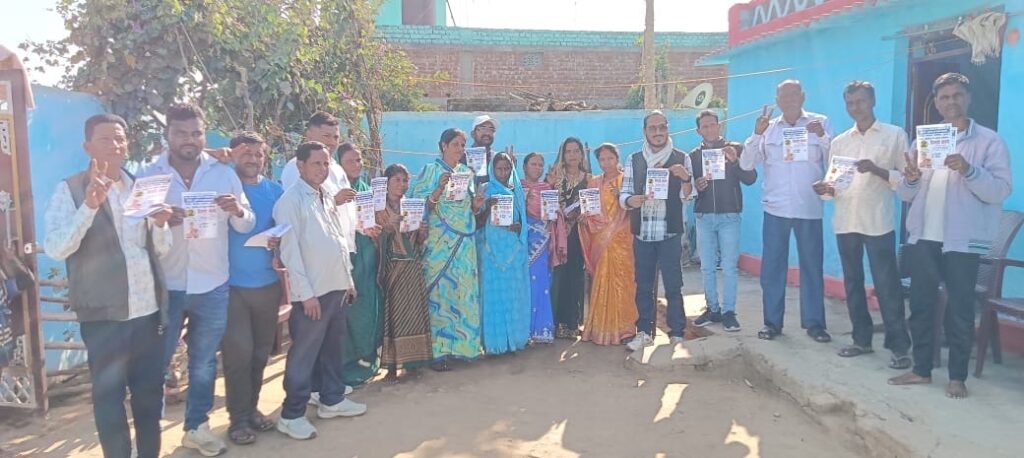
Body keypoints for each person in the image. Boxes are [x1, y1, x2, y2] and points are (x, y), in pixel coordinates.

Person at [43, 114, 172, 458]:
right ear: (88, 147)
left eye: (120, 138)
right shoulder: (70, 190)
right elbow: (56, 247)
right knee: (109, 401)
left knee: (149, 399)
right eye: (105, 139)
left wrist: (160, 225)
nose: (115, 145)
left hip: (148, 314)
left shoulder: (140, 187)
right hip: (104, 318)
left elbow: (158, 251)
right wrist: (89, 206)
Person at [140, 103, 254, 456]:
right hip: (166, 285)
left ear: (204, 135)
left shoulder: (223, 174)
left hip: (212, 283)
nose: (189, 140)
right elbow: (133, 227)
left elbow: (246, 223)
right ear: (167, 135)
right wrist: (157, 221)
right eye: (181, 133)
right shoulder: (150, 175)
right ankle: (148, 436)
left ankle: (196, 428)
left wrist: (237, 209)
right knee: (155, 363)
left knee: (203, 363)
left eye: (196, 133)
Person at [889, 73, 1011, 399]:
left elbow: (1000, 190)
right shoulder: (926, 139)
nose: (951, 102)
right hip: (925, 236)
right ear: (936, 103)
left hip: (962, 239)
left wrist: (969, 170)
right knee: (921, 305)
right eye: (944, 97)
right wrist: (910, 178)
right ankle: (921, 370)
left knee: (959, 308)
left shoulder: (989, 142)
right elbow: (905, 193)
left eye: (957, 95)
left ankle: (957, 377)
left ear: (968, 98)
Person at [812, 81, 912, 368]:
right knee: (853, 283)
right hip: (846, 222)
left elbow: (906, 181)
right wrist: (824, 189)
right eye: (850, 103)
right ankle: (861, 340)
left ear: (873, 101)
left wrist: (877, 170)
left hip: (878, 221)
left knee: (886, 285)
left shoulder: (894, 135)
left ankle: (899, 347)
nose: (856, 107)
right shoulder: (840, 142)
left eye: (861, 101)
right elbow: (834, 186)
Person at [274, 142, 367, 440]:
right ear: (300, 166)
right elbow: (290, 253)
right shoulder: (290, 202)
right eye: (316, 163)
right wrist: (306, 295)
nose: (323, 169)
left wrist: (348, 280)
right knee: (304, 355)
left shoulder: (326, 195)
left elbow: (337, 239)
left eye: (326, 163)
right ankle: (291, 415)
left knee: (332, 349)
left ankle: (332, 399)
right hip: (312, 294)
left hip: (336, 287)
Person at [740, 80, 833, 344]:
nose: (789, 99)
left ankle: (815, 324)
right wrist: (756, 134)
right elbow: (746, 164)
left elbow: (834, 159)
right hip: (776, 209)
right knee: (772, 268)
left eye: (794, 94)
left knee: (812, 267)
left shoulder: (820, 123)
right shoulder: (768, 129)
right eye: (783, 96)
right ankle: (772, 323)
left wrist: (822, 137)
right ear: (777, 100)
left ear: (803, 96)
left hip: (809, 208)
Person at [220, 132, 285, 445]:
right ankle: (238, 420)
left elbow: (286, 230)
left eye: (259, 154)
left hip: (267, 285)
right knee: (238, 355)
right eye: (246, 153)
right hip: (230, 287)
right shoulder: (222, 189)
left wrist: (278, 242)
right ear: (233, 154)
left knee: (260, 354)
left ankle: (252, 409)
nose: (253, 159)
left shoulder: (275, 191)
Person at [408, 128, 486, 371]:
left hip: (464, 244)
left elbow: (469, 209)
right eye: (455, 144)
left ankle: (464, 347)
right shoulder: (430, 170)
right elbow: (415, 206)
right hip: (439, 244)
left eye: (463, 144)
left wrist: (476, 205)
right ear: (443, 145)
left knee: (463, 292)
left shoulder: (466, 173)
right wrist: (438, 189)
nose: (460, 149)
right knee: (440, 296)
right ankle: (438, 352)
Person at [621, 111, 694, 351]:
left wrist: (686, 179)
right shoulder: (634, 159)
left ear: (668, 129)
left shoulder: (681, 158)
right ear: (645, 131)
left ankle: (677, 333)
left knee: (673, 285)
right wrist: (630, 200)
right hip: (643, 233)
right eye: (653, 128)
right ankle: (644, 332)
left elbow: (689, 196)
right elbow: (624, 192)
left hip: (670, 232)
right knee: (643, 285)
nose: (658, 132)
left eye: (662, 127)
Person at [690, 110, 756, 332]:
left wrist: (735, 161)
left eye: (712, 125)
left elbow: (751, 178)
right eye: (704, 126)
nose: (709, 129)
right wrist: (697, 186)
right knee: (707, 267)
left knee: (729, 266)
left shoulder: (735, 148)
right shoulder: (694, 156)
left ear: (720, 126)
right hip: (704, 217)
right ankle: (712, 308)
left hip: (729, 217)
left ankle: (729, 312)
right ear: (698, 130)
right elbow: (689, 188)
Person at [375, 164, 434, 382]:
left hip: (412, 267)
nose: (402, 185)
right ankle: (392, 364)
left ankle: (413, 362)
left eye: (405, 180)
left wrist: (422, 232)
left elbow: (418, 241)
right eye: (397, 180)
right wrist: (386, 228)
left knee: (413, 314)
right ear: (387, 183)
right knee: (395, 315)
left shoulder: (411, 206)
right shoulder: (379, 209)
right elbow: (372, 238)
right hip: (393, 268)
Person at [334, 143, 383, 387]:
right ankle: (346, 366)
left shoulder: (365, 189)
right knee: (348, 311)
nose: (357, 164)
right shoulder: (334, 191)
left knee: (368, 307)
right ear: (339, 164)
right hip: (347, 258)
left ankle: (367, 359)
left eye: (359, 159)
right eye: (351, 160)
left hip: (368, 256)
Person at [579, 143, 638, 345]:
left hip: (623, 239)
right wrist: (585, 218)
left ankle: (626, 329)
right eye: (602, 159)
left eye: (610, 158)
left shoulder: (627, 181)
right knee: (601, 281)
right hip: (600, 240)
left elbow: (633, 209)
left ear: (617, 158)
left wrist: (620, 197)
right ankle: (600, 329)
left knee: (624, 282)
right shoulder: (593, 183)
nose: (606, 163)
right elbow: (589, 211)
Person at [476, 152, 531, 355]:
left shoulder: (517, 191)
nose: (503, 173)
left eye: (507, 169)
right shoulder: (485, 190)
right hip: (491, 252)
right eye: (499, 169)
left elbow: (523, 220)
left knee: (513, 295)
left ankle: (515, 340)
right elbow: (477, 222)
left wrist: (518, 227)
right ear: (492, 169)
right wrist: (487, 208)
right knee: (493, 297)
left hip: (513, 251)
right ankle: (495, 343)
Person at [546, 137, 590, 339]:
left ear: (581, 154)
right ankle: (556, 323)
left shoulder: (589, 179)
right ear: (563, 155)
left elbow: (593, 205)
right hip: (558, 233)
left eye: (576, 151)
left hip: (579, 233)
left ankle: (573, 323)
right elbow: (546, 203)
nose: (572, 155)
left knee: (576, 277)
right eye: (568, 151)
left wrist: (582, 215)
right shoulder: (555, 177)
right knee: (558, 277)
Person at [521, 153, 561, 344]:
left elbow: (553, 215)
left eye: (540, 165)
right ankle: (524, 330)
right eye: (533, 164)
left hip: (542, 242)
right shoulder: (517, 187)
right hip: (522, 243)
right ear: (524, 167)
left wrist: (555, 213)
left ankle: (540, 329)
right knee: (524, 285)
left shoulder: (547, 189)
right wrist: (523, 199)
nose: (537, 168)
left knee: (541, 284)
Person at [468, 114, 499, 185]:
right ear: (473, 134)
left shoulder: (497, 158)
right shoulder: (462, 157)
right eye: (483, 128)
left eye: (491, 130)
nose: (487, 133)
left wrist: (510, 168)